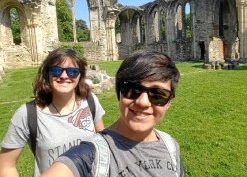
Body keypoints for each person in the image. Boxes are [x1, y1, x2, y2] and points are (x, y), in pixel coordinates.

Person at [41, 49, 184, 177]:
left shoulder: (170, 146)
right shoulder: (92, 155)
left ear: (169, 101)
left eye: (158, 95)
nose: (143, 102)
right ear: (119, 94)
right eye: (132, 90)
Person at [0, 48, 106, 177]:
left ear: (80, 76)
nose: (64, 76)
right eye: (56, 70)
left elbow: (103, 145)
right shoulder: (28, 114)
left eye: (72, 72)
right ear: (47, 74)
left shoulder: (90, 102)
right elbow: (6, 165)